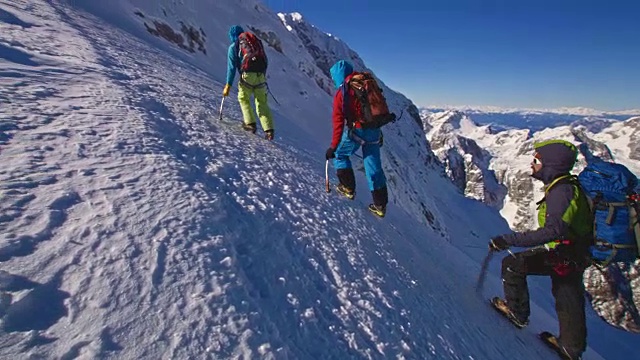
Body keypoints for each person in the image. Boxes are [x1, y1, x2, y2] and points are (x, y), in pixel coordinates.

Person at [489, 140, 592, 360]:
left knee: (513, 265)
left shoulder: (561, 191)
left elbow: (552, 231)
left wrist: (508, 240)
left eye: (536, 160)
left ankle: (517, 313)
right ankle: (571, 348)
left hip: (566, 253)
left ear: (550, 165)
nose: (532, 163)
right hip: (574, 252)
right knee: (567, 293)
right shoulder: (563, 186)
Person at [325, 60, 388, 217]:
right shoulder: (365, 83)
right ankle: (380, 205)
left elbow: (338, 123)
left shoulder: (343, 92)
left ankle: (348, 188)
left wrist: (333, 146)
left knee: (340, 154)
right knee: (373, 167)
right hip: (374, 131)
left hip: (358, 131)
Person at [223, 25, 274, 140]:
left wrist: (228, 85)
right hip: (260, 76)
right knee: (261, 102)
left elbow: (231, 68)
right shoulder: (254, 44)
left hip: (247, 75)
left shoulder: (233, 47)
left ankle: (250, 124)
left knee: (243, 98)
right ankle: (269, 130)